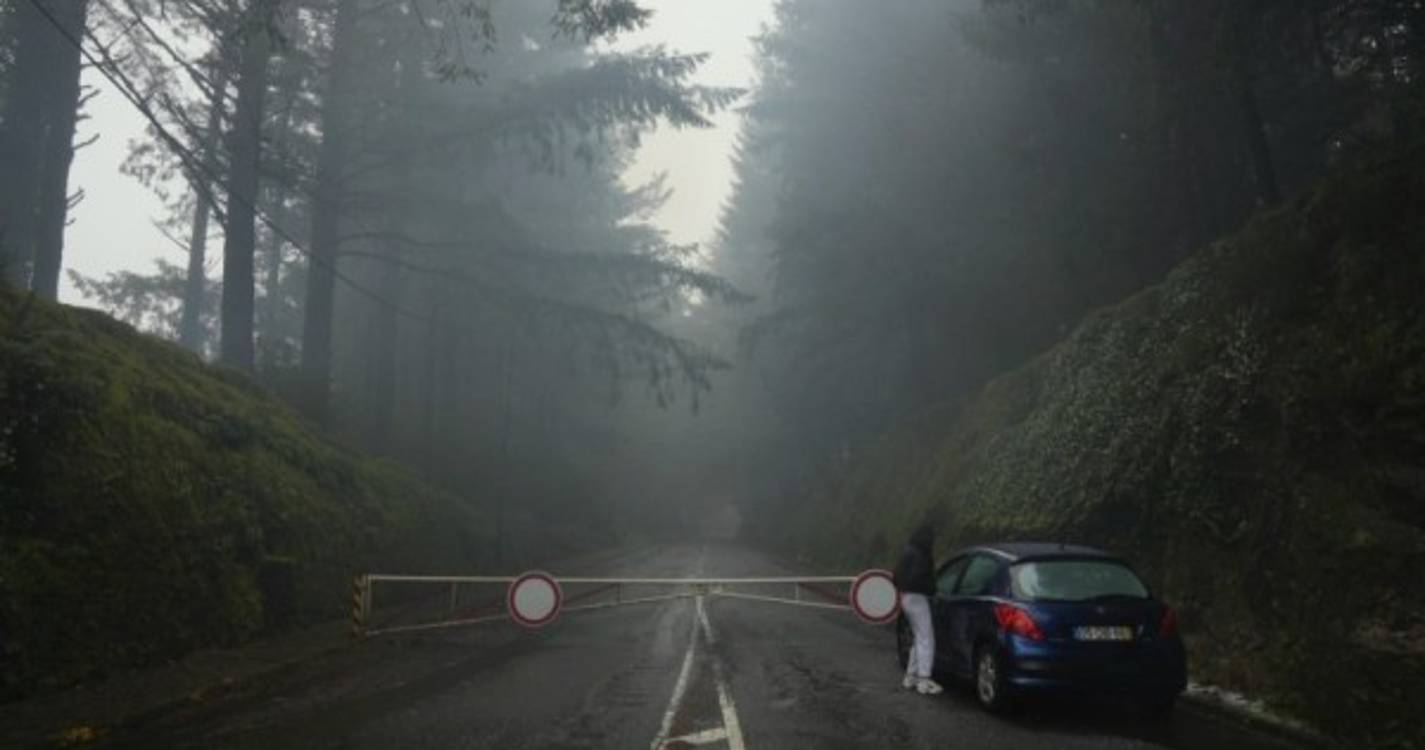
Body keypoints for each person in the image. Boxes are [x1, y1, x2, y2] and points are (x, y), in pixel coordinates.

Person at [893, 524, 943, 695]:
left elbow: (895, 575)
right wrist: (932, 589)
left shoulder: (907, 551)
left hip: (905, 597)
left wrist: (902, 588)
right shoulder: (922, 554)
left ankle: (910, 676)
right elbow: (919, 578)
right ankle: (924, 681)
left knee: (918, 637)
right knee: (926, 638)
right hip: (918, 598)